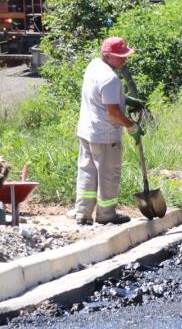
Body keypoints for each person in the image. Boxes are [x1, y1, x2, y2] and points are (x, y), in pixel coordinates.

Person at [74, 37, 139, 225]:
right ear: (107, 56)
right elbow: (113, 113)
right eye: (120, 57)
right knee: (108, 175)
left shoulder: (94, 66)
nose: (124, 60)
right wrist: (131, 125)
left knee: (87, 172)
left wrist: (124, 99)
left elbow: (101, 96)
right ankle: (106, 215)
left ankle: (83, 214)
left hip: (87, 132)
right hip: (105, 135)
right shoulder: (110, 78)